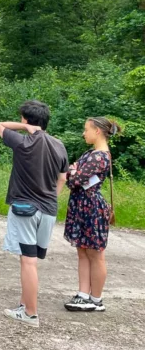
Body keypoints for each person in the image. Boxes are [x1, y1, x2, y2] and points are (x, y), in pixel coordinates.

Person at [0, 100, 68, 327]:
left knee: (28, 262)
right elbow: (63, 178)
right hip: (48, 209)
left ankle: (31, 313)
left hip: (25, 209)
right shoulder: (59, 145)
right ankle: (24, 304)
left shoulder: (23, 141)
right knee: (31, 259)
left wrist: (24, 128)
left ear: (26, 120)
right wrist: (51, 198)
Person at [63, 117, 118, 313]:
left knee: (95, 253)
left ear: (97, 132)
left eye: (86, 129)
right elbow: (74, 175)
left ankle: (96, 299)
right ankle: (83, 295)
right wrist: (73, 171)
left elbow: (73, 180)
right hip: (83, 205)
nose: (83, 133)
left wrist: (72, 171)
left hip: (91, 208)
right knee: (83, 252)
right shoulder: (94, 153)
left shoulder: (98, 157)